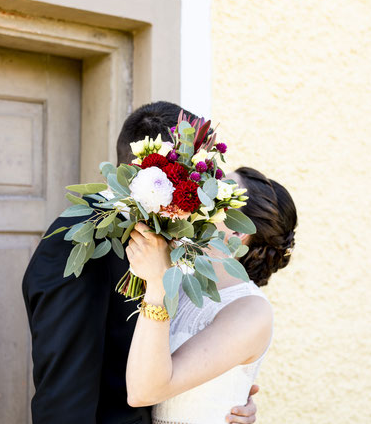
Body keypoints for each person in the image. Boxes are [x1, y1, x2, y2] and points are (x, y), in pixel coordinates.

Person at [22, 102, 259, 424]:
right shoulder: (82, 241)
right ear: (167, 166)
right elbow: (64, 389)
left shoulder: (170, 237)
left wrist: (222, 398)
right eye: (197, 168)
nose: (204, 185)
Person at [125, 167, 297, 423]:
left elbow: (144, 392)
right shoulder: (179, 276)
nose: (199, 195)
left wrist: (157, 286)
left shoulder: (251, 312)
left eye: (215, 194)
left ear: (237, 232)